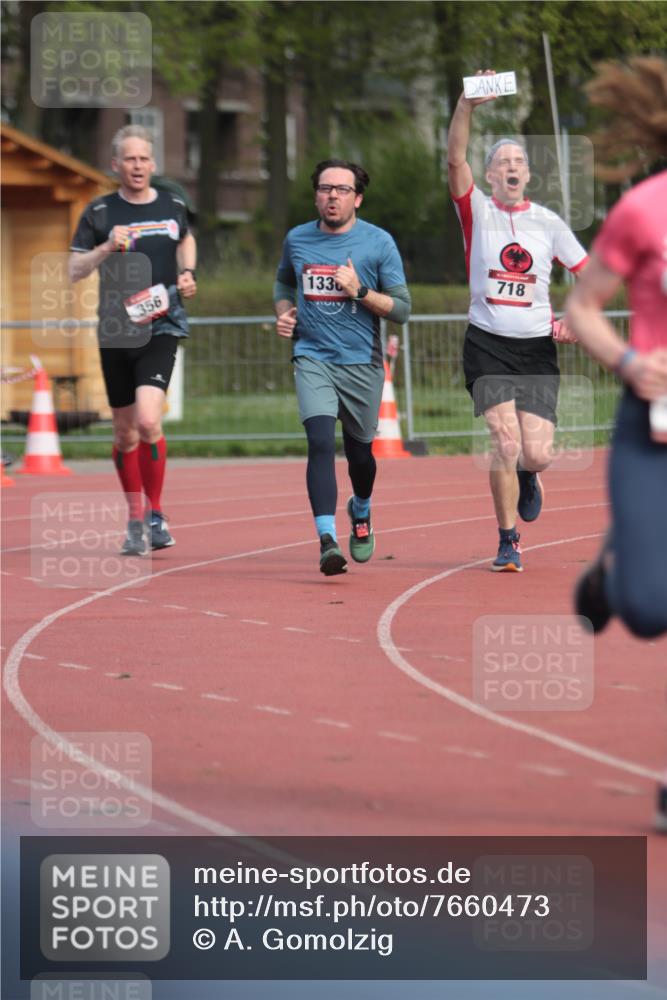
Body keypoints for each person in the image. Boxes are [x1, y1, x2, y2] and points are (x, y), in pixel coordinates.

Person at [564, 56, 667, 830]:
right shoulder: (642, 209)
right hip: (653, 421)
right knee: (645, 609)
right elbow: (585, 304)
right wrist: (630, 361)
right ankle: (610, 569)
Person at [447, 71, 588, 572]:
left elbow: (588, 273)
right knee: (503, 442)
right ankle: (508, 540)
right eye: (502, 161)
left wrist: (573, 316)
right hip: (486, 344)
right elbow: (454, 157)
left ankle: (530, 475)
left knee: (538, 453)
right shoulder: (477, 212)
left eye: (519, 162)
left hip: (535, 349)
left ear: (528, 175)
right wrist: (468, 103)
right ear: (488, 176)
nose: (511, 166)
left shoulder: (548, 223)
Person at [274, 159, 411, 575]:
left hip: (362, 364)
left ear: (358, 198)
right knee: (318, 441)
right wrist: (284, 311)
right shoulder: (297, 239)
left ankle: (362, 508)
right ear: (315, 195)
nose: (332, 196)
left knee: (360, 458)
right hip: (313, 357)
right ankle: (327, 539)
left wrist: (361, 290)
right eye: (325, 188)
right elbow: (283, 282)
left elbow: (402, 309)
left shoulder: (378, 243)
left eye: (342, 189)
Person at [69, 125, 197, 555]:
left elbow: (187, 237)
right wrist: (106, 247)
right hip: (116, 329)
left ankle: (156, 512)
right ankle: (135, 516)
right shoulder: (100, 212)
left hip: (161, 323)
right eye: (130, 159)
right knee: (125, 434)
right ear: (116, 165)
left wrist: (187, 273)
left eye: (144, 159)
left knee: (148, 421)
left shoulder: (172, 203)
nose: (137, 166)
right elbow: (74, 270)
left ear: (153, 164)